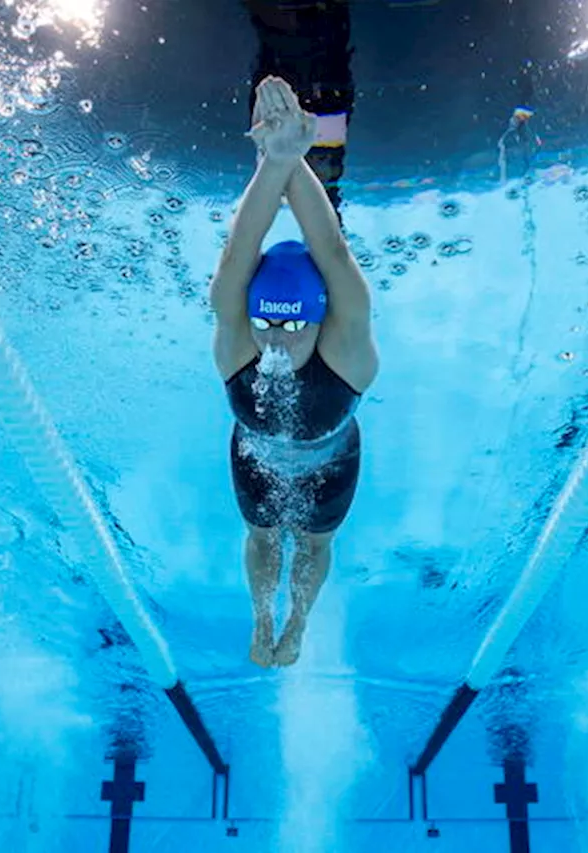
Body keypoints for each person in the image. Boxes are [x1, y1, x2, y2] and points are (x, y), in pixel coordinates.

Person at [209, 75, 377, 667]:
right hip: (254, 460)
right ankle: (260, 618)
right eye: (266, 324)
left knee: (313, 542)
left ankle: (299, 621)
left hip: (331, 465)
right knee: (261, 539)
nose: (276, 341)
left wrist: (289, 161)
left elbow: (331, 252)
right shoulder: (236, 344)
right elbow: (237, 257)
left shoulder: (348, 352)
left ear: (322, 321)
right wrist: (274, 161)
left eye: (292, 326)